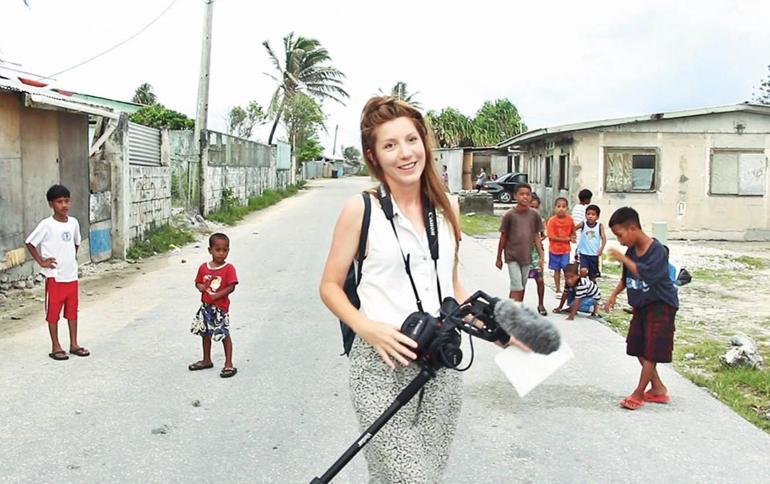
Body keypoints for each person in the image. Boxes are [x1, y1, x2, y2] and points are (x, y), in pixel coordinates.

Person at [319, 97, 476, 482]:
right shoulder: (361, 209)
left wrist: (509, 328)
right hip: (380, 362)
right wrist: (367, 328)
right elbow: (329, 286)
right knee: (411, 478)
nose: (405, 153)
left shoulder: (447, 208)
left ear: (424, 141)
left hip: (441, 359)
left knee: (404, 477)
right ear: (373, 156)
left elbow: (451, 283)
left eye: (411, 140)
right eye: (390, 145)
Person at [605, 207, 678, 411]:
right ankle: (657, 388)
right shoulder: (631, 251)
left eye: (620, 235)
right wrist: (613, 295)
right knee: (637, 346)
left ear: (633, 228)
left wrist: (623, 258)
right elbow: (626, 277)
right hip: (641, 305)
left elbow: (647, 275)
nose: (620, 241)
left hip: (661, 304)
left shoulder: (658, 251)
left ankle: (638, 393)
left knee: (652, 351)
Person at [25, 184, 90, 361]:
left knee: (72, 311)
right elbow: (30, 243)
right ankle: (56, 346)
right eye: (59, 202)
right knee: (53, 313)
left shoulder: (74, 222)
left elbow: (76, 243)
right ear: (51, 204)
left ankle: (74, 344)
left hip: (71, 276)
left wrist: (70, 259)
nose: (64, 205)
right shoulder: (46, 225)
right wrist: (41, 261)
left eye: (67, 201)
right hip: (55, 277)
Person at [189, 233, 239, 378]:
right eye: (218, 250)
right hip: (205, 307)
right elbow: (198, 282)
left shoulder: (228, 268)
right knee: (205, 334)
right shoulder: (203, 268)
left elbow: (231, 286)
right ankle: (206, 360)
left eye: (225, 250)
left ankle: (228, 363)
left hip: (220, 309)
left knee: (224, 334)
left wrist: (218, 295)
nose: (221, 253)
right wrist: (201, 287)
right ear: (210, 250)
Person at [496, 183, 544, 303]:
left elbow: (536, 236)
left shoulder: (534, 215)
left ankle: (515, 308)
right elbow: (503, 237)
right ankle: (513, 310)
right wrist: (499, 257)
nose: (525, 197)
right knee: (516, 285)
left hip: (526, 256)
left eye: (527, 194)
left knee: (522, 286)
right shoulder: (509, 215)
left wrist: (541, 255)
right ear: (515, 196)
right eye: (521, 194)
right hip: (512, 256)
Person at [546, 197, 575, 294]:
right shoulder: (552, 221)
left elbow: (573, 230)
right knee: (556, 270)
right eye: (558, 206)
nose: (561, 209)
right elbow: (551, 236)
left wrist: (573, 237)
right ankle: (558, 288)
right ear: (554, 208)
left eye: (563, 206)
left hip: (565, 250)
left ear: (567, 208)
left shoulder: (570, 220)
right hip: (554, 250)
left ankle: (567, 288)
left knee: (566, 269)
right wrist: (565, 239)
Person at [527, 193, 548, 315]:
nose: (533, 210)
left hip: (536, 252)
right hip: (523, 253)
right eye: (531, 207)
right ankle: (518, 305)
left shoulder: (540, 221)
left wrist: (541, 251)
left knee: (539, 279)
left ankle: (541, 304)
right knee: (521, 282)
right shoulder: (521, 219)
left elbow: (543, 234)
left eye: (536, 207)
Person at [576, 204, 606, 281]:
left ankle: (592, 289)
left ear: (597, 217)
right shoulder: (583, 224)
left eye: (593, 214)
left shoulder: (599, 226)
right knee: (583, 271)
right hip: (583, 253)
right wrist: (572, 236)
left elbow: (604, 238)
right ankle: (582, 285)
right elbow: (573, 228)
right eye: (588, 214)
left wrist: (601, 249)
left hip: (594, 254)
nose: (590, 216)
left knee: (592, 275)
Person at [572, 189, 592, 260]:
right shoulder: (586, 209)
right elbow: (587, 222)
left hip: (574, 232)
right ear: (586, 200)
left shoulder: (575, 207)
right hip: (581, 232)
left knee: (576, 252)